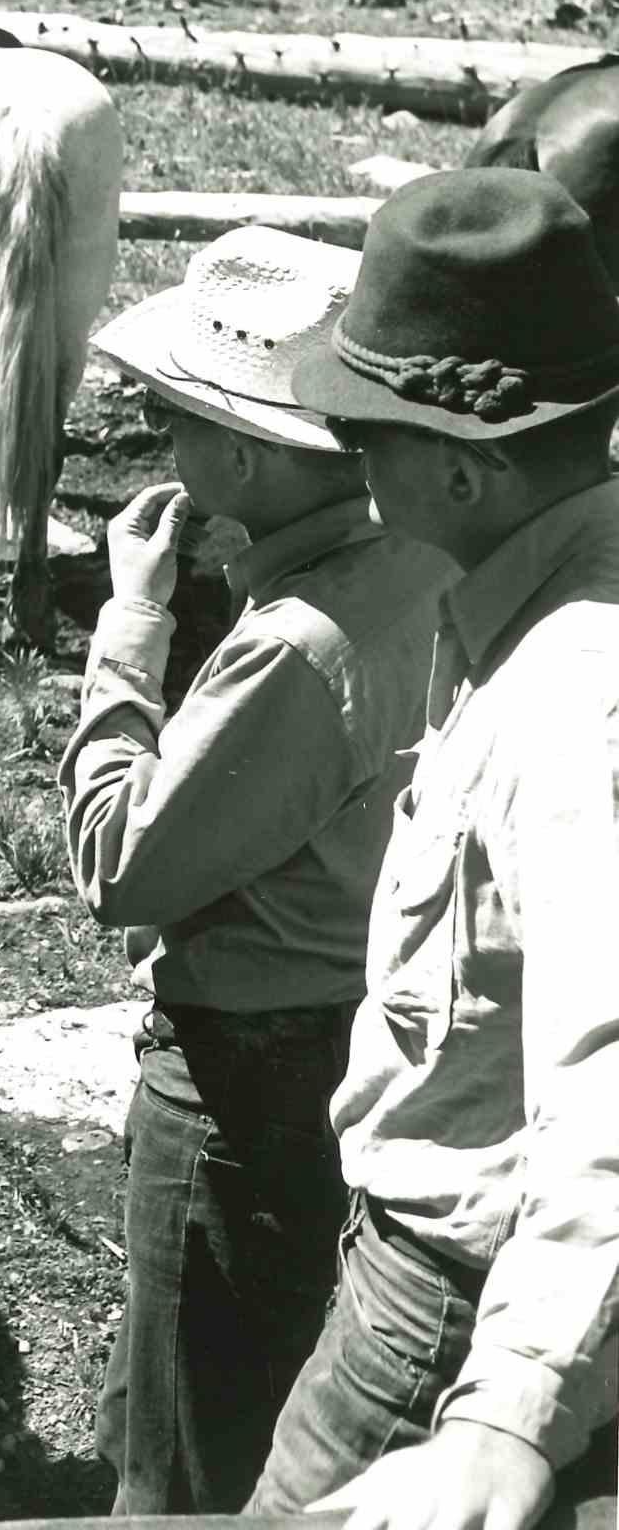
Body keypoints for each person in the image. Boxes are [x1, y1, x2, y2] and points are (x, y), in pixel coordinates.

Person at [59, 225, 457, 1514]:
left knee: (183, 1459)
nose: (164, 450)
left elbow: (123, 868)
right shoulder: (423, 564)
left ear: (238, 453)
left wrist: (131, 625)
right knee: (245, 1401)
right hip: (353, 1045)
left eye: (179, 421)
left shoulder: (293, 645)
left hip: (237, 1080)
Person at [248, 165, 619, 1530]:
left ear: (461, 466)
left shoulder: (579, 693)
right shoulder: (525, 594)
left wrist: (507, 1410)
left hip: (453, 1309)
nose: (351, 465)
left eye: (366, 440)